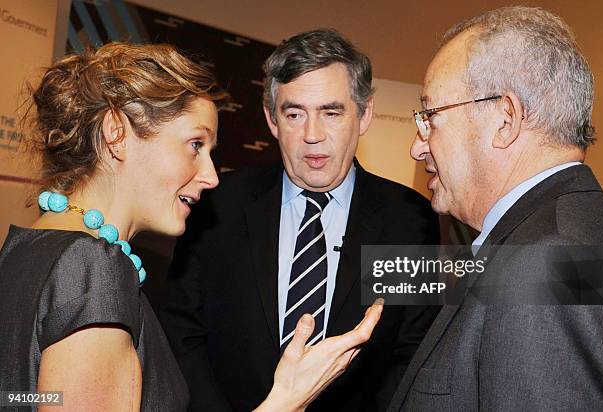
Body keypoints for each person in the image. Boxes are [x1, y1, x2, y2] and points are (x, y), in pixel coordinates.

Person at [0, 42, 384, 412]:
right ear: (116, 133)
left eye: (332, 113)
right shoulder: (92, 267)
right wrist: (285, 400)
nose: (211, 176)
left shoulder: (31, 244)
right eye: (195, 145)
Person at [159, 29, 440, 412]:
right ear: (272, 120)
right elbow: (182, 334)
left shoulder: (410, 218)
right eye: (294, 114)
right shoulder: (216, 204)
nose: (312, 135)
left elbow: (412, 353)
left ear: (365, 114)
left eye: (331, 112)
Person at [387, 6, 603, 411]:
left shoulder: (542, 265)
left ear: (505, 119)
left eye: (430, 118)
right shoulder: (583, 228)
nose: (417, 147)